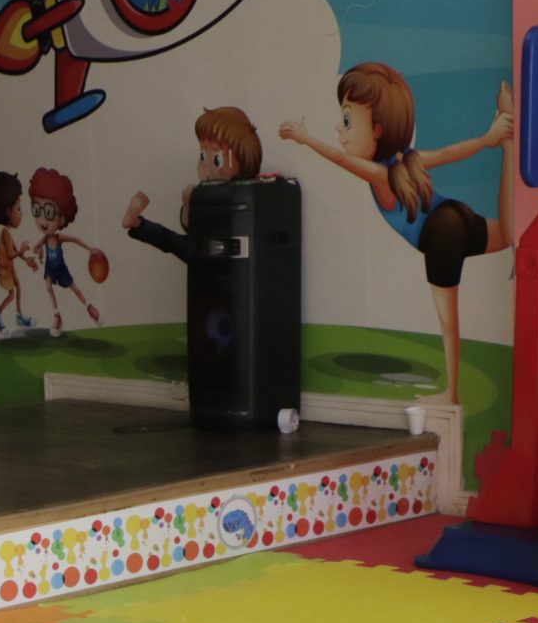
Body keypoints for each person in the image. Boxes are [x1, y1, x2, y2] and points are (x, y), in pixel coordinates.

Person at [280, 66, 514, 402]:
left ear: (377, 129)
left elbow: (340, 159)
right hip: (456, 216)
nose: (339, 129)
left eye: (347, 121)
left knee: (448, 320)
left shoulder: (380, 174)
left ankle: (451, 394)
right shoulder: (410, 161)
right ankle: (507, 146)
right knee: (507, 235)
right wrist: (489, 139)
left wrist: (305, 138)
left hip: (442, 234)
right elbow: (451, 153)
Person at [122, 104, 265, 263]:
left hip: (224, 251)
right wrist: (189, 206)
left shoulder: (245, 197)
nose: (207, 169)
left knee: (182, 245)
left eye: (217, 159)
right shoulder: (207, 193)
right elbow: (191, 227)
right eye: (203, 156)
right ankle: (137, 223)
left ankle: (138, 224)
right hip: (210, 254)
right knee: (181, 244)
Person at [27, 167, 103, 334]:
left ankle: (89, 307)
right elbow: (37, 247)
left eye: (48, 212)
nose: (42, 220)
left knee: (74, 288)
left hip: (60, 269)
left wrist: (89, 248)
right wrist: (38, 253)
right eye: (37, 210)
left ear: (61, 218)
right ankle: (57, 316)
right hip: (49, 270)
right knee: (48, 287)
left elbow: (75, 240)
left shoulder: (58, 238)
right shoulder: (46, 239)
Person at [0, 172, 38, 332]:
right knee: (11, 294)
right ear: (8, 212)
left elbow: (14, 251)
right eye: (18, 208)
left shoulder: (7, 233)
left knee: (18, 287)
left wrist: (26, 259)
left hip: (9, 265)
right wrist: (21, 251)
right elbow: (10, 255)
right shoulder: (5, 233)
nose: (21, 214)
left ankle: (19, 315)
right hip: (4, 267)